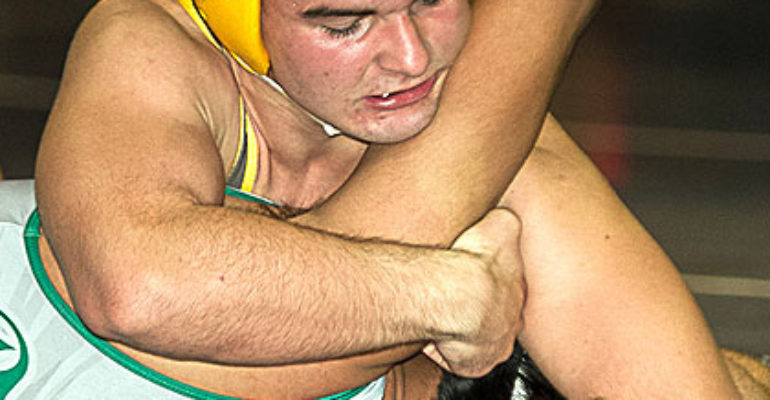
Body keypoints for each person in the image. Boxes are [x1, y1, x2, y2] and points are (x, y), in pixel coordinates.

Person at [0, 0, 751, 398]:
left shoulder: (488, 138)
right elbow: (139, 287)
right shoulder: (151, 50)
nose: (410, 57)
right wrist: (445, 294)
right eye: (344, 23)